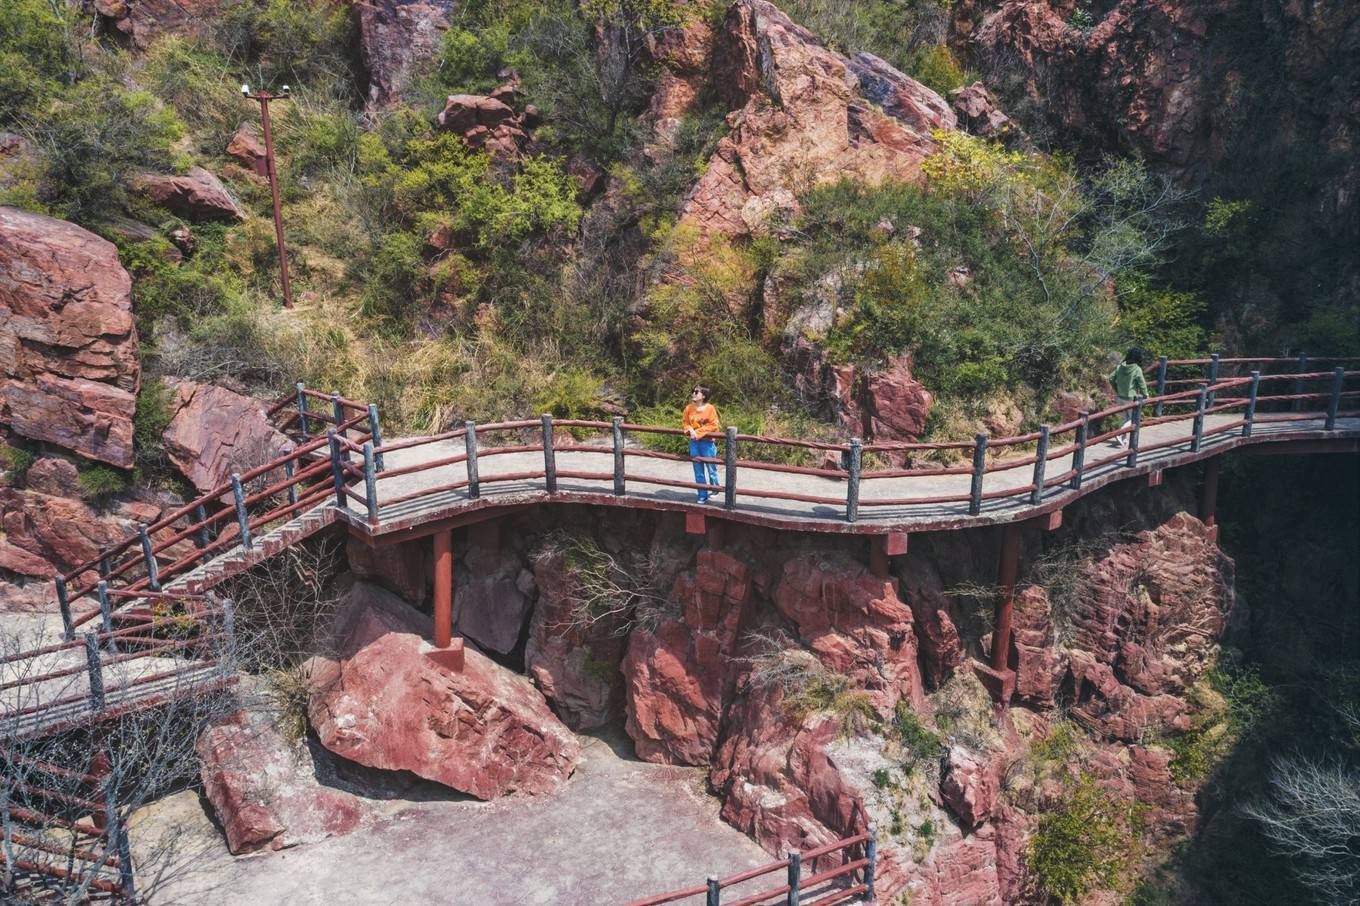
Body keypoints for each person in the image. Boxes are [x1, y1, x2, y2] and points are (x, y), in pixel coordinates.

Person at [682, 385, 722, 502]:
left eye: (696, 392)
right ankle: (702, 494)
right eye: (692, 391)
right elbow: (685, 422)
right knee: (698, 469)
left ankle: (715, 488)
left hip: (707, 442)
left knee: (711, 468)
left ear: (703, 395)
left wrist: (698, 432)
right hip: (694, 442)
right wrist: (689, 429)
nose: (693, 393)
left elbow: (713, 425)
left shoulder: (710, 409)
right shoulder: (688, 408)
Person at [1109, 347, 1150, 447]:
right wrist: (1146, 395)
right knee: (1134, 418)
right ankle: (1119, 433)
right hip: (1131, 398)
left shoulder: (1120, 366)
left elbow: (1111, 378)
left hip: (1120, 396)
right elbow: (1142, 384)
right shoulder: (1136, 369)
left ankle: (1123, 439)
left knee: (1124, 418)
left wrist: (1117, 388)